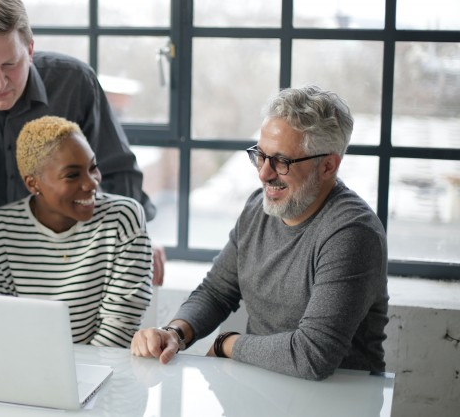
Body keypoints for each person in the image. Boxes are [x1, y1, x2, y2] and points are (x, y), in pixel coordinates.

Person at [131, 86, 389, 380]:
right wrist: (175, 332)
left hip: (341, 396)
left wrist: (225, 343)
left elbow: (312, 356)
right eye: (260, 155)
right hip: (262, 382)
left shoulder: (352, 233)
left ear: (328, 165)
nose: (263, 173)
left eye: (282, 161)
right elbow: (216, 292)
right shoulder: (258, 206)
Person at [0, 0, 164, 294]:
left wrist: (135, 241)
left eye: (10, 64)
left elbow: (117, 172)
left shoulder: (75, 83)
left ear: (30, 50)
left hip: (73, 252)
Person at [0, 116, 154, 348]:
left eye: (93, 167)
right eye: (73, 175)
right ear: (33, 184)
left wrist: (79, 378)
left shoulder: (123, 218)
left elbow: (120, 324)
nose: (91, 183)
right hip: (31, 367)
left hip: (105, 370)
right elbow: (7, 320)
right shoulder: (0, 228)